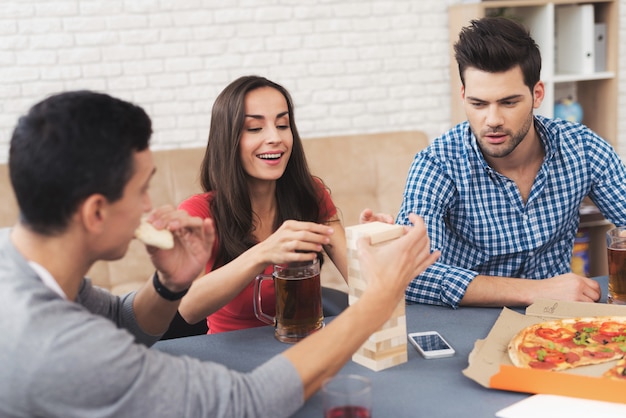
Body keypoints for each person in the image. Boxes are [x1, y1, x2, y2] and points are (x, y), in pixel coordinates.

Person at [0, 90, 439, 417]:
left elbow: (120, 321)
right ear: (95, 211)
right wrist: (375, 302)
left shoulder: (22, 262)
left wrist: (167, 285)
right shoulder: (58, 348)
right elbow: (246, 403)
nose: (150, 208)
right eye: (142, 190)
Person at [396, 16, 626, 308]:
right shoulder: (438, 164)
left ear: (537, 94)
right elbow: (409, 275)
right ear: (464, 96)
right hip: (465, 322)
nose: (492, 120)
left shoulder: (582, 148)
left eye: (508, 102)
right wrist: (535, 291)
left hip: (556, 322)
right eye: (478, 104)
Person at [177, 75, 391, 333]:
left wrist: (372, 247)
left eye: (282, 125)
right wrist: (265, 252)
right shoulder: (198, 212)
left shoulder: (310, 193)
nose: (275, 138)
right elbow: (188, 309)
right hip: (231, 354)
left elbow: (365, 284)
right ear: (228, 139)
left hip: (303, 345)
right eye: (255, 128)